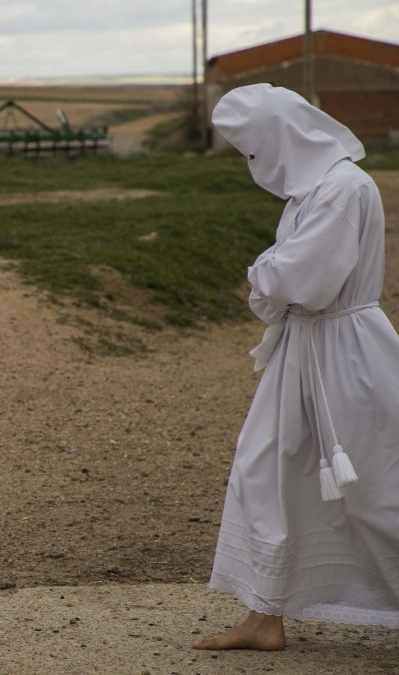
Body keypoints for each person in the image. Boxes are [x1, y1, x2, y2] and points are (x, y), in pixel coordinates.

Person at [194, 83, 399, 650]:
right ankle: (265, 613)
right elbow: (287, 280)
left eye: (253, 148)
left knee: (372, 487)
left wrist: (265, 274)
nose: (253, 162)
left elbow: (301, 281)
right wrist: (274, 277)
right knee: (267, 470)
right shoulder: (311, 192)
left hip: (345, 355)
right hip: (305, 350)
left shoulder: (342, 187)